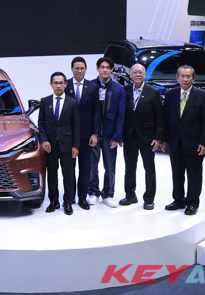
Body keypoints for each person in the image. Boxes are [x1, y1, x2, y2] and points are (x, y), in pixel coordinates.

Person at [162, 65, 205, 216]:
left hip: (194, 142)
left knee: (194, 174)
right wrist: (163, 139)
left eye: (188, 76)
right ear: (177, 78)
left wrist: (204, 142)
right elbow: (165, 118)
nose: (185, 79)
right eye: (182, 76)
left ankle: (192, 202)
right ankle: (178, 200)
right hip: (175, 141)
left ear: (193, 78)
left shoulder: (203, 96)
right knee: (177, 173)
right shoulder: (170, 95)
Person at [120, 63, 165, 210]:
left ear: (145, 75)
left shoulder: (153, 92)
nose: (137, 74)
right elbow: (122, 115)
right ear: (130, 75)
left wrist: (158, 137)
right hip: (129, 136)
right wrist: (120, 134)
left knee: (149, 168)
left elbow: (159, 117)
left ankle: (149, 199)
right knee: (129, 167)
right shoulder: (125, 90)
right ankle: (130, 195)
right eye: (134, 72)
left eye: (140, 72)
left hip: (148, 137)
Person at [38, 71, 80, 215]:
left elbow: (76, 126)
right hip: (50, 145)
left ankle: (68, 202)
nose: (58, 86)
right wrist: (44, 140)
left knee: (68, 175)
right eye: (55, 83)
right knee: (52, 174)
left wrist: (76, 145)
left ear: (65, 84)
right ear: (51, 84)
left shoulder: (72, 102)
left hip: (67, 144)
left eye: (61, 83)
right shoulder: (45, 101)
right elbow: (41, 123)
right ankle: (53, 201)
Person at [87, 57, 126, 208]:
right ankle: (93, 192)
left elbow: (121, 115)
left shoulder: (118, 89)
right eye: (102, 67)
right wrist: (91, 132)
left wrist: (117, 136)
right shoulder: (90, 86)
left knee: (110, 166)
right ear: (97, 68)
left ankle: (108, 194)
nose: (104, 70)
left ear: (111, 70)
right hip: (94, 134)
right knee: (92, 164)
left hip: (110, 135)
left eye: (107, 67)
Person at [66, 57, 101, 210]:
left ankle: (82, 197)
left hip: (87, 135)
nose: (79, 71)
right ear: (72, 69)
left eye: (82, 68)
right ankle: (70, 197)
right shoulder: (65, 85)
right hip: (69, 135)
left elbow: (97, 111)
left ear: (86, 69)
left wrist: (95, 133)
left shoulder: (92, 87)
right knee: (69, 169)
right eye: (76, 68)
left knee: (85, 168)